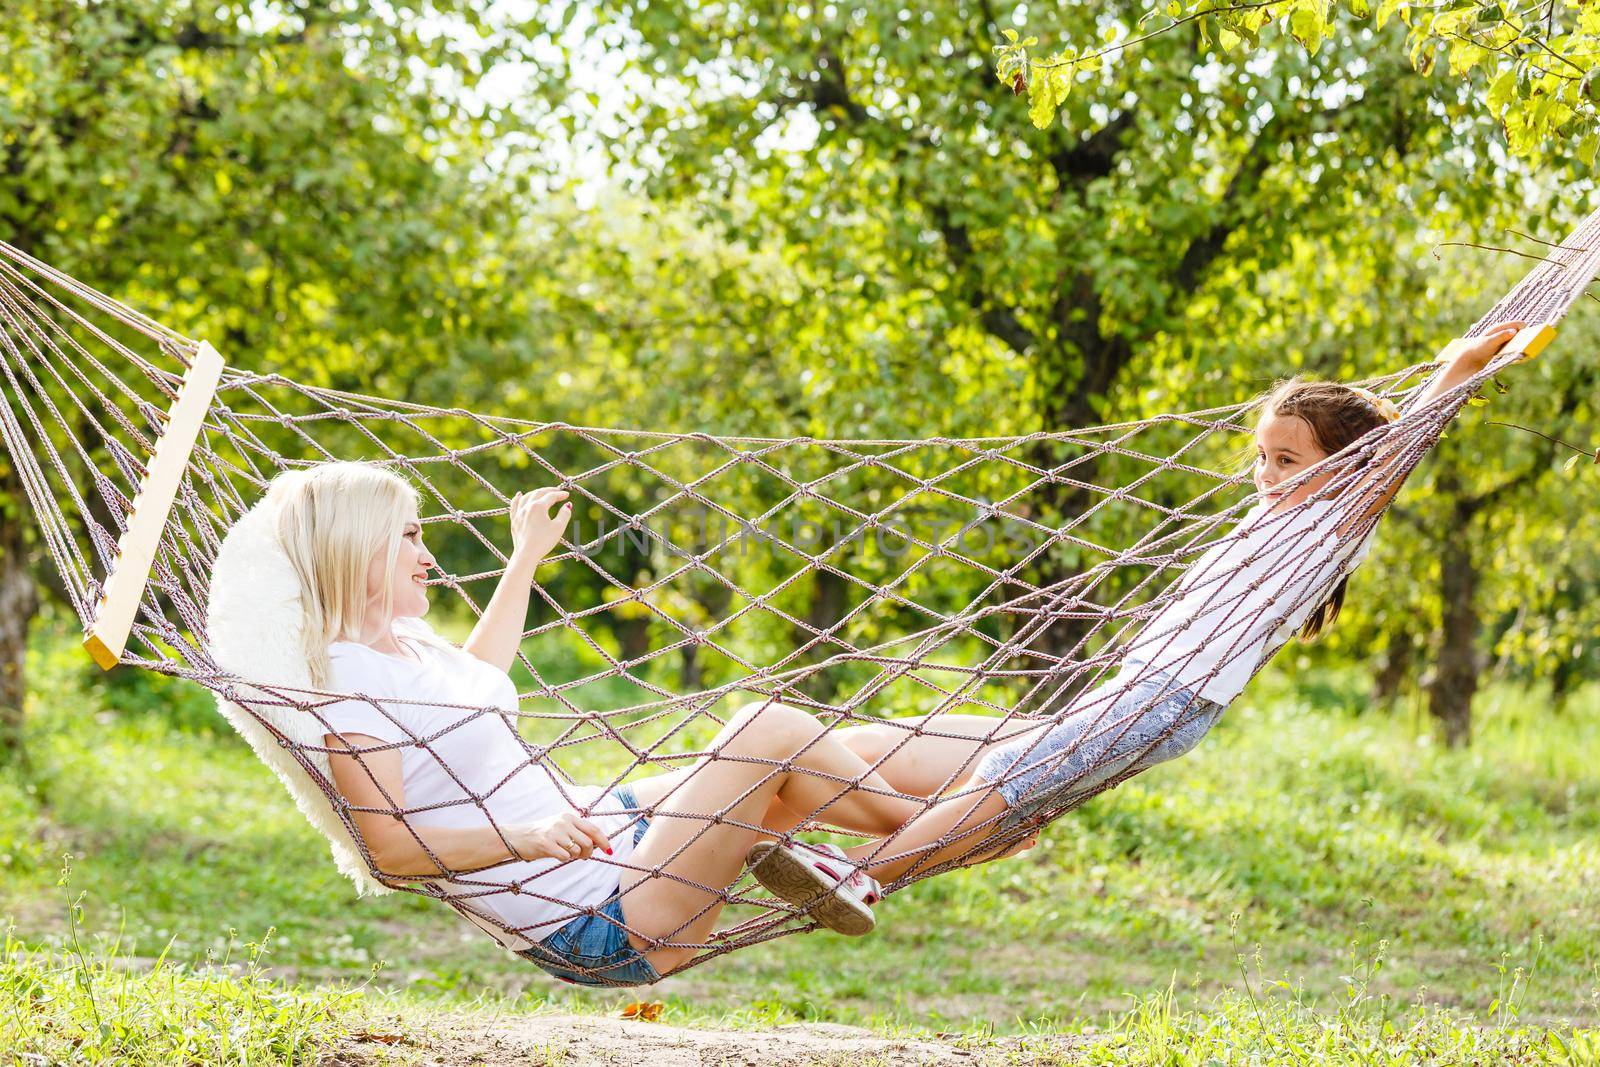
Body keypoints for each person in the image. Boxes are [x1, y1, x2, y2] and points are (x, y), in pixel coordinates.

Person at [746, 320, 1531, 902]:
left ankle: (862, 876)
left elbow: (1400, 447)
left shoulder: (1330, 526)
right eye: (1262, 455)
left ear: (1346, 469)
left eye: (1287, 460)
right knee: (1010, 790)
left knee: (1016, 783)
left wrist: (1461, 366)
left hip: (1164, 700)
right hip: (1138, 692)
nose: (1266, 473)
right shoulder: (1276, 514)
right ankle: (813, 840)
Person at [266, 462, 1014, 988]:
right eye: (409, 536)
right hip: (602, 912)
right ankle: (953, 824)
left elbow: (480, 678)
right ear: (355, 547)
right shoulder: (348, 674)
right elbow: (389, 852)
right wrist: (526, 838)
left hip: (610, 831)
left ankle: (1034, 746)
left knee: (855, 747)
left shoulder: (404, 648)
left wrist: (525, 557)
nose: (428, 555)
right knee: (768, 728)